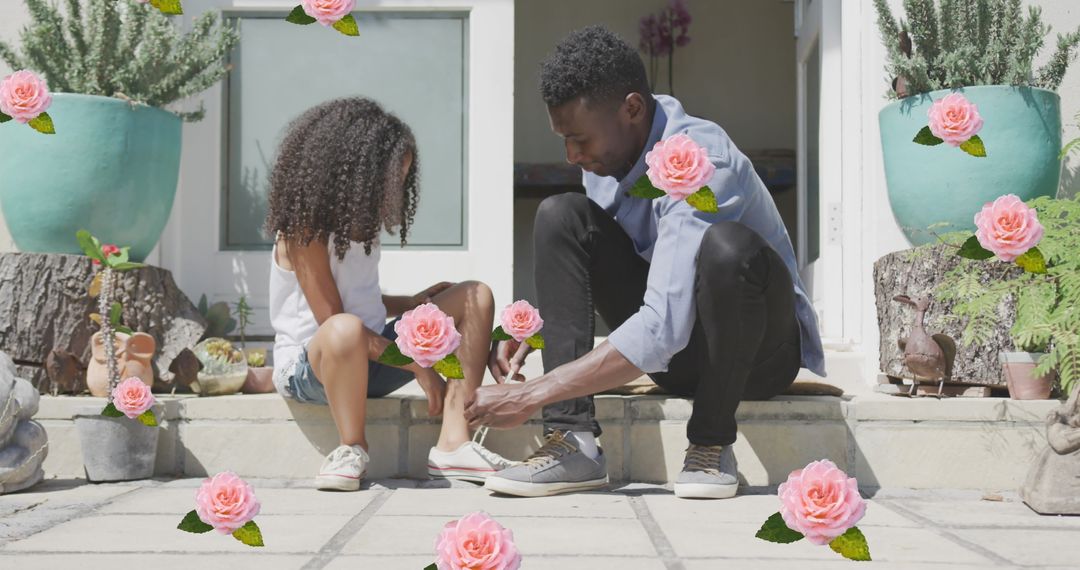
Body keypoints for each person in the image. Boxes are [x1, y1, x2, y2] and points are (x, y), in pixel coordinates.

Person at [469, 26, 825, 499]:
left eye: (579, 139)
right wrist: (538, 333)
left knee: (726, 248)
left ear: (632, 109)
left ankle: (710, 443)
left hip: (757, 356)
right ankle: (572, 442)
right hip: (680, 357)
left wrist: (533, 392)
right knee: (561, 215)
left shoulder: (700, 161)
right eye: (564, 140)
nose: (572, 155)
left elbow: (663, 327)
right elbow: (643, 282)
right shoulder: (605, 159)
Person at [265, 97, 514, 491]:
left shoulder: (360, 226)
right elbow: (335, 325)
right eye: (390, 179)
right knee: (345, 329)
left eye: (402, 179)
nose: (397, 189)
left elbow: (362, 305)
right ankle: (352, 446)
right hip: (313, 371)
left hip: (371, 358)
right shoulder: (303, 230)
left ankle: (454, 440)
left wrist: (411, 305)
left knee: (475, 296)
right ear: (352, 171)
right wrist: (416, 365)